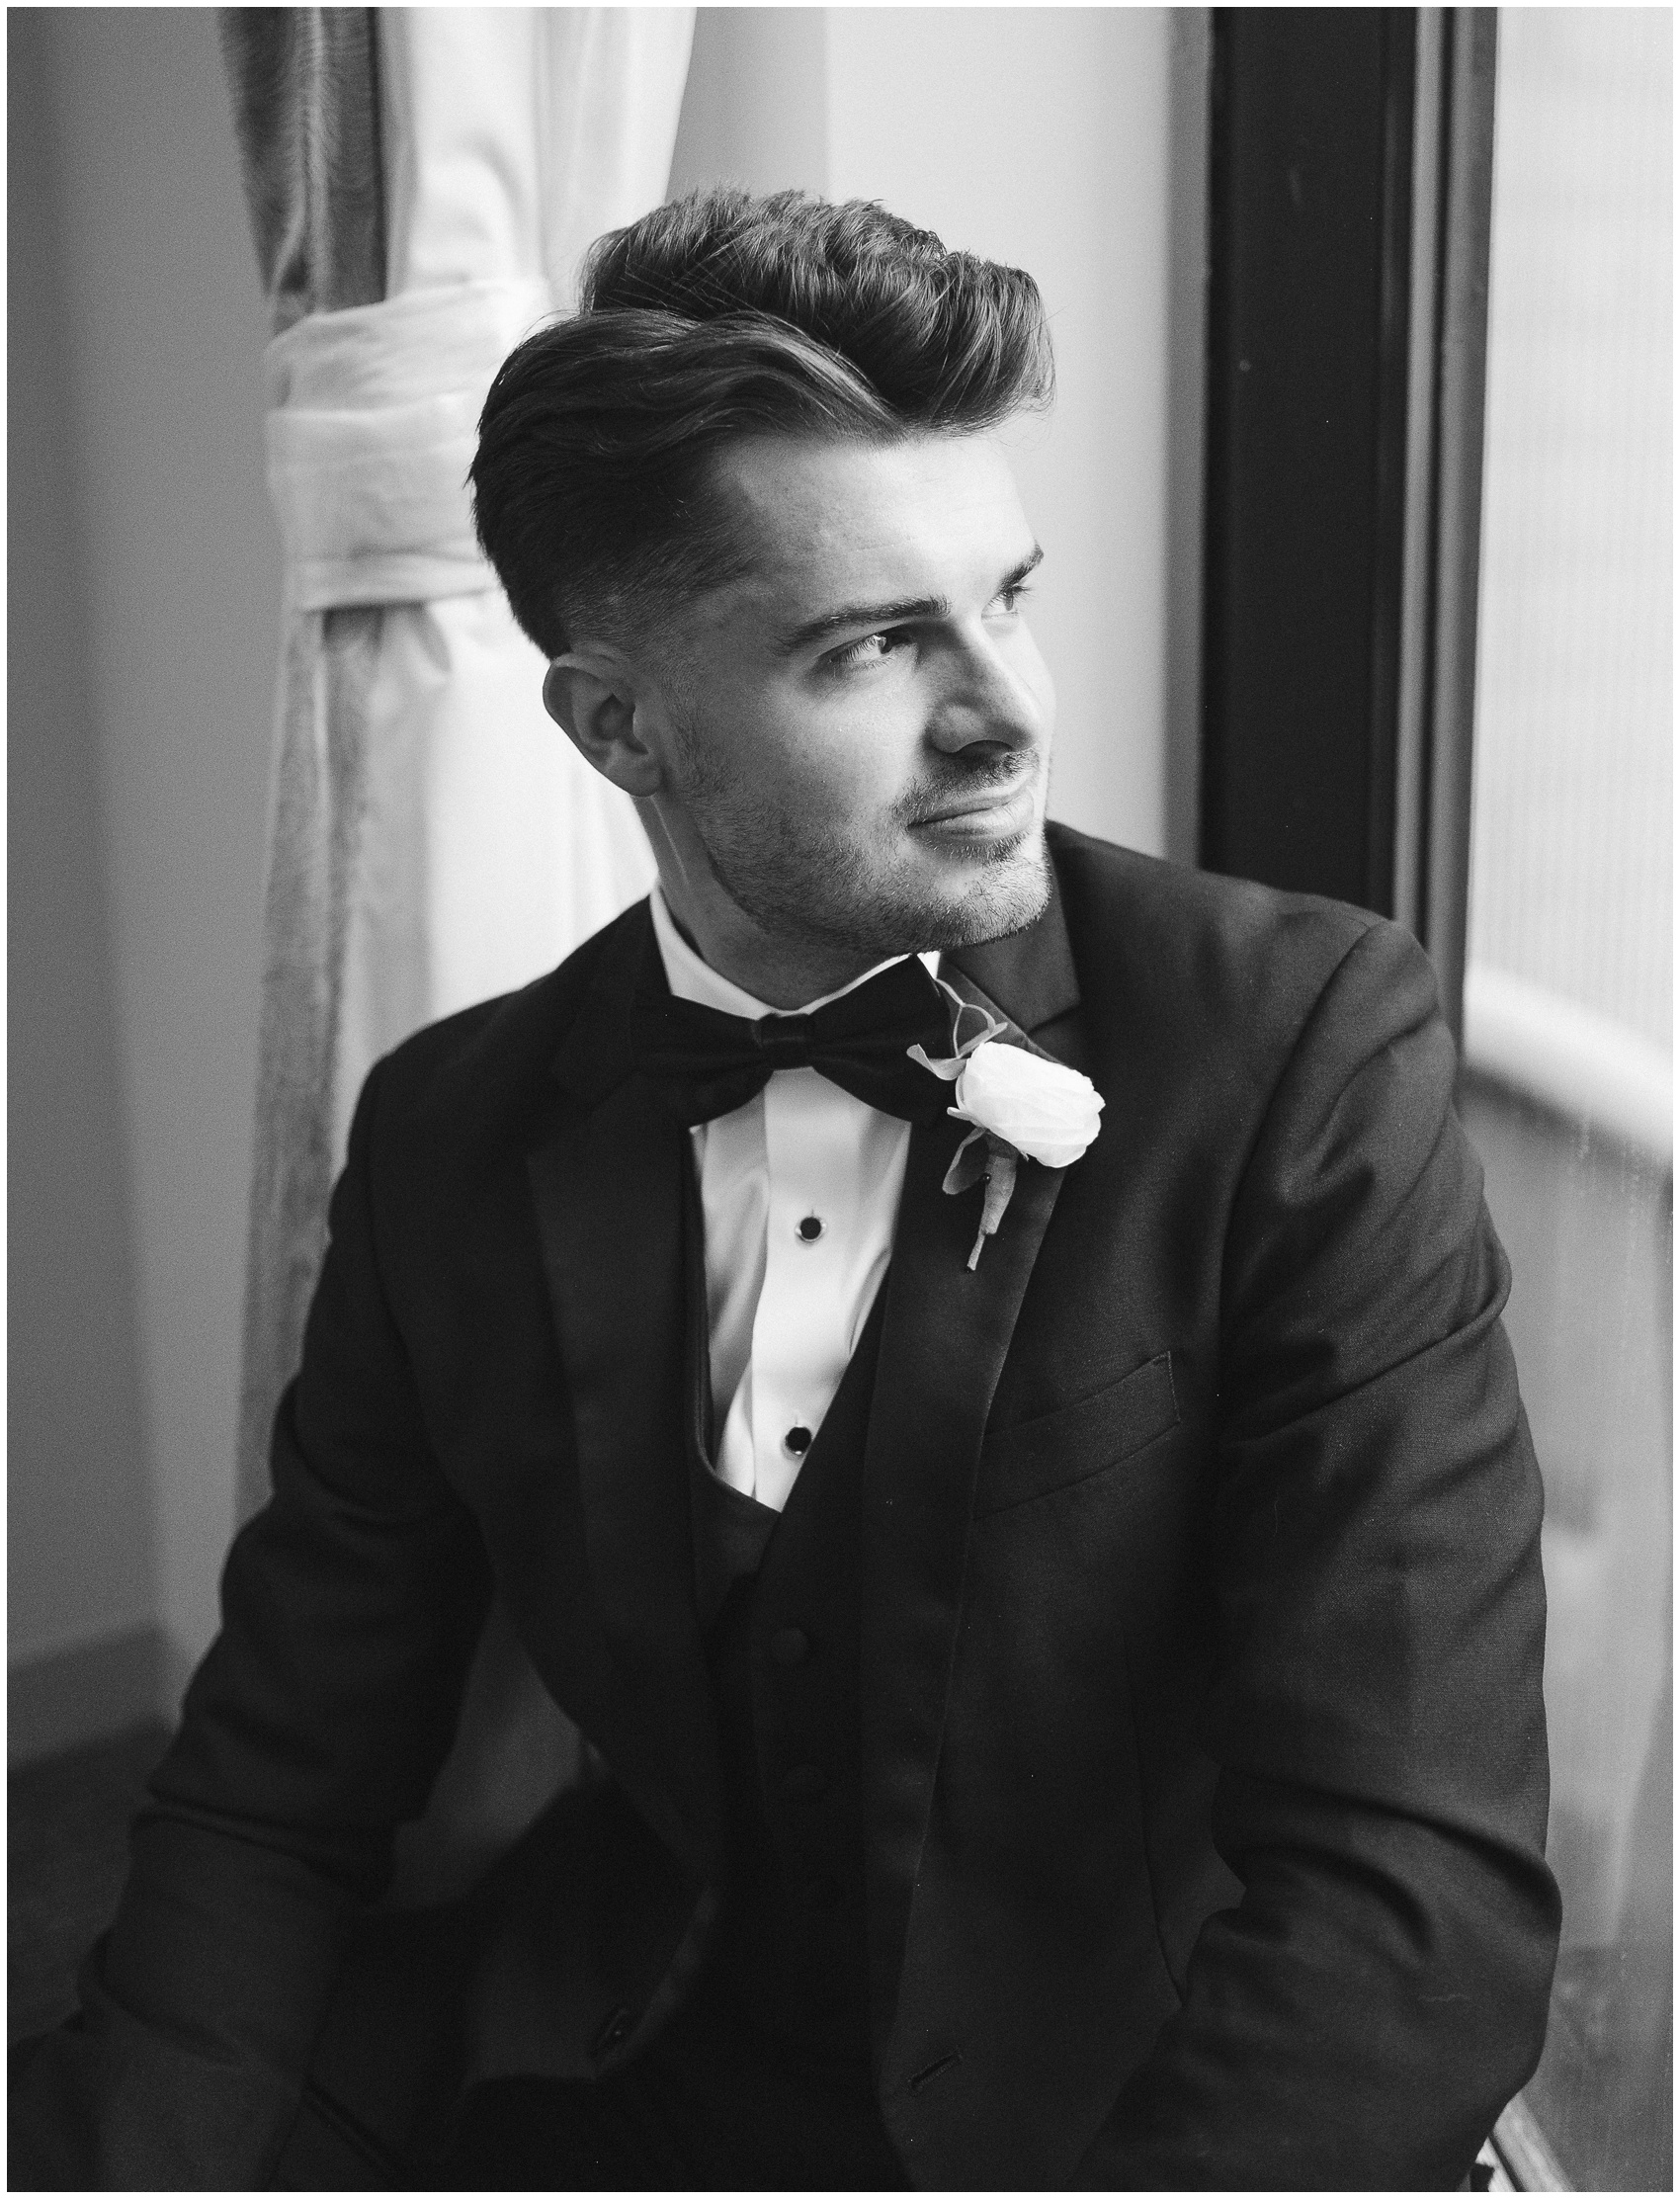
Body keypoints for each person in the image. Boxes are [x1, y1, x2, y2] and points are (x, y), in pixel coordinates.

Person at [11, 187, 1558, 2192]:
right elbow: (277, 1788)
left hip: (1129, 2120)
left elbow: (1410, 1898)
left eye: (1008, 595)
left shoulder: (1294, 1046)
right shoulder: (450, 1132)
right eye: (875, 646)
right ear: (614, 721)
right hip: (615, 2066)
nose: (1008, 711)